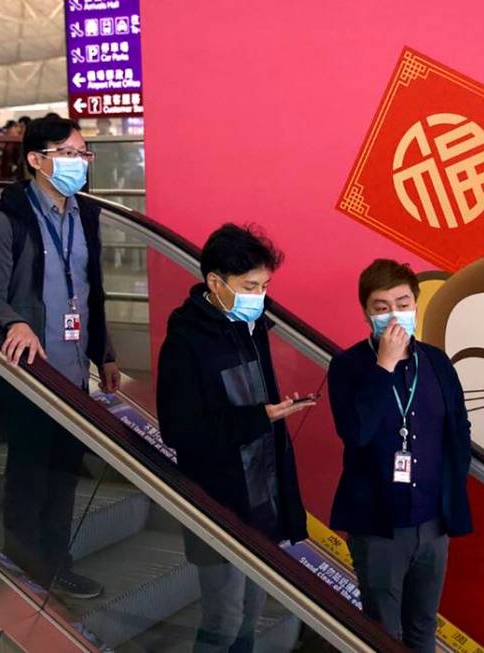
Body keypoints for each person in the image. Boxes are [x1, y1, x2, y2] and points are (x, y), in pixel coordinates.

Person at [0, 116, 120, 598]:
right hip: (28, 376)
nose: (81, 163)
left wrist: (106, 352)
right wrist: (14, 321)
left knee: (63, 477)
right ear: (36, 160)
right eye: (70, 154)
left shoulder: (85, 215)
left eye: (84, 154)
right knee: (30, 477)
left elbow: (91, 292)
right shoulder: (6, 222)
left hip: (73, 373)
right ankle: (24, 575)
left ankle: (58, 566)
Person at [157, 223, 312, 653]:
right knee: (223, 617)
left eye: (263, 285)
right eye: (250, 286)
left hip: (264, 491)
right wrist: (259, 417)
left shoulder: (252, 324)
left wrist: (270, 417)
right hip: (220, 499)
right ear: (215, 283)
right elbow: (180, 430)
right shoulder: (185, 343)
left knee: (251, 613)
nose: (259, 296)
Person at [327, 259, 473, 653]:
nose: (394, 314)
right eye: (381, 306)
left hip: (433, 522)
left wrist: (451, 493)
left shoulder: (438, 363)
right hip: (378, 526)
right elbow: (356, 432)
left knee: (424, 627)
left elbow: (459, 431)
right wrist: (385, 365)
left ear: (416, 303)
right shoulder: (348, 367)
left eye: (402, 302)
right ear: (366, 313)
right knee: (381, 634)